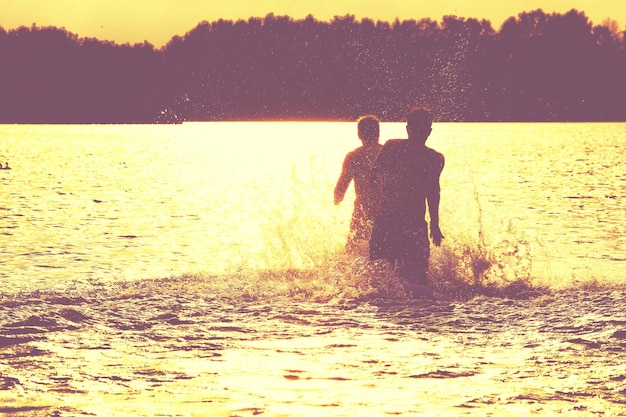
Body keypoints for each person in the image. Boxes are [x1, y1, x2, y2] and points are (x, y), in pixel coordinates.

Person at [369, 106, 444, 292]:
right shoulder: (433, 158)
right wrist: (434, 224)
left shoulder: (391, 147)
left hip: (388, 219)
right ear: (429, 131)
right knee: (418, 280)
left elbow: (373, 178)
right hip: (413, 223)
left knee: (378, 276)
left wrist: (377, 204)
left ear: (407, 128)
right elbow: (432, 191)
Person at [334, 115, 383, 253]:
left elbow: (341, 187)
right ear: (378, 133)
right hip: (386, 210)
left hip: (363, 209)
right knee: (386, 253)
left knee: (352, 252)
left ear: (359, 134)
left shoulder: (354, 156)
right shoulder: (388, 153)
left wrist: (337, 197)